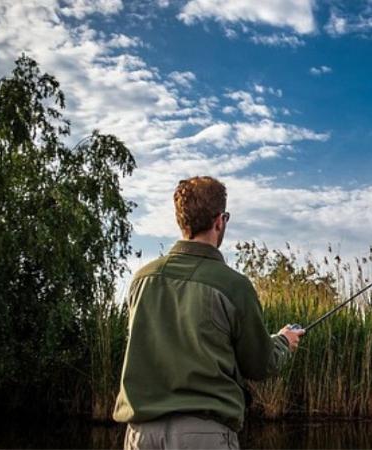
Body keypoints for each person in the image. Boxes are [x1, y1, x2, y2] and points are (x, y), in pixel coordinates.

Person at [113, 176, 304, 449]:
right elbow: (259, 364)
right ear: (219, 221)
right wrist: (284, 341)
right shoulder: (233, 285)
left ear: (182, 221)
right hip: (202, 436)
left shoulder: (142, 280)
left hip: (140, 435)